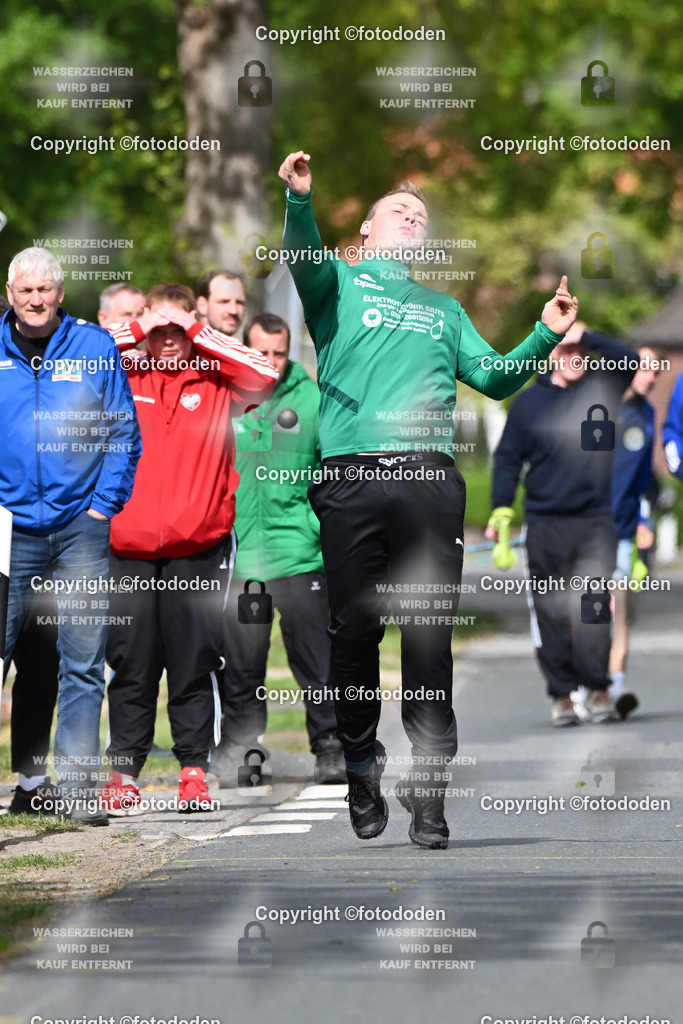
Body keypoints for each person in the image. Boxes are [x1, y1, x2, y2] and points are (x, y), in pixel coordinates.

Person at [278, 149, 579, 849]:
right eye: (398, 211)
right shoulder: (339, 284)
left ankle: (430, 792)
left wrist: (542, 332)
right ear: (368, 233)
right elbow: (300, 257)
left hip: (426, 481)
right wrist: (298, 199)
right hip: (352, 478)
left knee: (427, 642)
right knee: (353, 634)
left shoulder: (443, 310)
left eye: (421, 214)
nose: (413, 216)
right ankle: (359, 764)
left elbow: (496, 378)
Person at [100, 285, 278, 815]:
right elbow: (79, 358)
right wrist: (143, 326)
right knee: (131, 661)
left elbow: (265, 374)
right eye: (164, 331)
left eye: (179, 331)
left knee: (192, 660)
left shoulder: (218, 373)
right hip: (127, 545)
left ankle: (193, 773)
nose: (171, 340)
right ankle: (123, 774)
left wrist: (198, 329)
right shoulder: (123, 370)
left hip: (199, 547)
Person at [1, 247, 141, 824]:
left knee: (82, 662)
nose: (35, 300)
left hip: (80, 530)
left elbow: (122, 432)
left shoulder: (93, 346)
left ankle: (81, 793)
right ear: (9, 293)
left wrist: (103, 508)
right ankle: (29, 783)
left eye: (45, 290)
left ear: (61, 293)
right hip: (6, 529)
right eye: (24, 290)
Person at [486, 321, 639, 727]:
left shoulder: (600, 390)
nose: (576, 357)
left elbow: (631, 360)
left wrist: (584, 335)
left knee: (593, 609)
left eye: (581, 352)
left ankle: (598, 688)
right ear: (551, 353)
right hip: (545, 524)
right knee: (552, 613)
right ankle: (562, 695)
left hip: (593, 522)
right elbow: (506, 460)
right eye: (566, 349)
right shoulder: (528, 404)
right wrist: (501, 508)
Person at [215, 313, 345, 787]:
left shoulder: (311, 399)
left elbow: (334, 472)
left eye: (278, 352)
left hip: (300, 555)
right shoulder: (225, 396)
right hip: (243, 559)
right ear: (244, 349)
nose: (269, 362)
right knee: (244, 667)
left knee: (317, 661)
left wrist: (319, 528)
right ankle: (247, 753)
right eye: (260, 352)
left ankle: (330, 749)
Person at [607, 345, 661, 718]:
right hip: (585, 525)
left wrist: (644, 519)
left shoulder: (648, 414)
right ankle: (583, 685)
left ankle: (615, 684)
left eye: (656, 371)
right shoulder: (601, 407)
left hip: (624, 528)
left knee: (617, 608)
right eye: (644, 368)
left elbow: (643, 477)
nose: (651, 376)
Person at [196, 270, 246, 337]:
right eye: (224, 302)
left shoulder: (238, 346)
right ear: (202, 305)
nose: (233, 311)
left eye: (239, 302)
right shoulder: (185, 345)